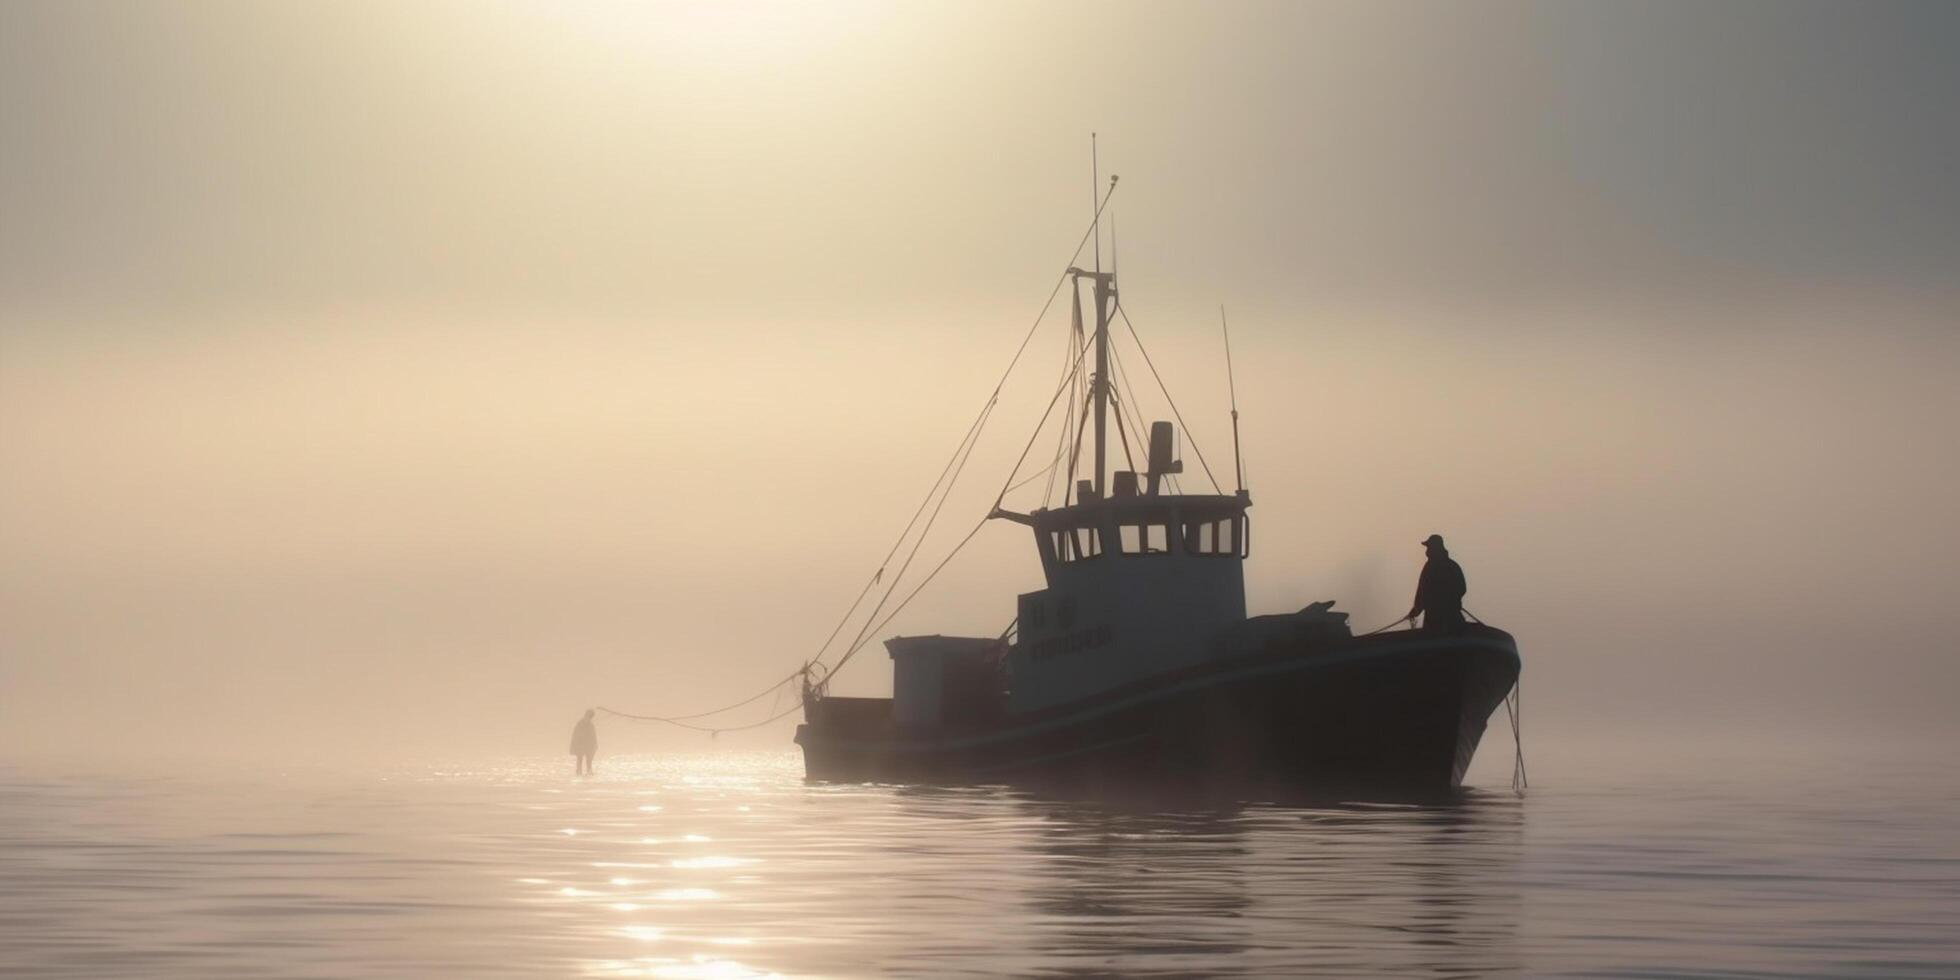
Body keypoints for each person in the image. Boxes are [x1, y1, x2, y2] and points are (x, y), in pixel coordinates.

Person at [1406, 533, 1467, 632]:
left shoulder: (1429, 568)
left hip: (1433, 620)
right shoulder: (1453, 566)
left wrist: (1415, 611)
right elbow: (1462, 588)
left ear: (1434, 549)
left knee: (1432, 639)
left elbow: (1422, 593)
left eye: (1429, 547)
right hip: (1454, 618)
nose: (1427, 550)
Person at [570, 709, 598, 775]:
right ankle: (581, 771)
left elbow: (593, 735)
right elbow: (576, 735)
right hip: (582, 744)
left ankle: (588, 771)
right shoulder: (581, 723)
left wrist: (595, 743)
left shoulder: (590, 724)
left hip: (587, 744)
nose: (591, 718)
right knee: (581, 758)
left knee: (588, 759)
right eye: (591, 716)